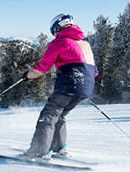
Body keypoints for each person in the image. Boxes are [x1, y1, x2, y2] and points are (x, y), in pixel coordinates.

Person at [21, 13, 97, 159]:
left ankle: (38, 151)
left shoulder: (60, 42)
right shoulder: (86, 45)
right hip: (85, 88)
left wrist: (27, 76)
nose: (55, 35)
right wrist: (82, 86)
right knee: (60, 116)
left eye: (55, 31)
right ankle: (58, 148)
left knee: (48, 116)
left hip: (69, 84)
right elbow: (94, 72)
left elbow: (42, 68)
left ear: (59, 26)